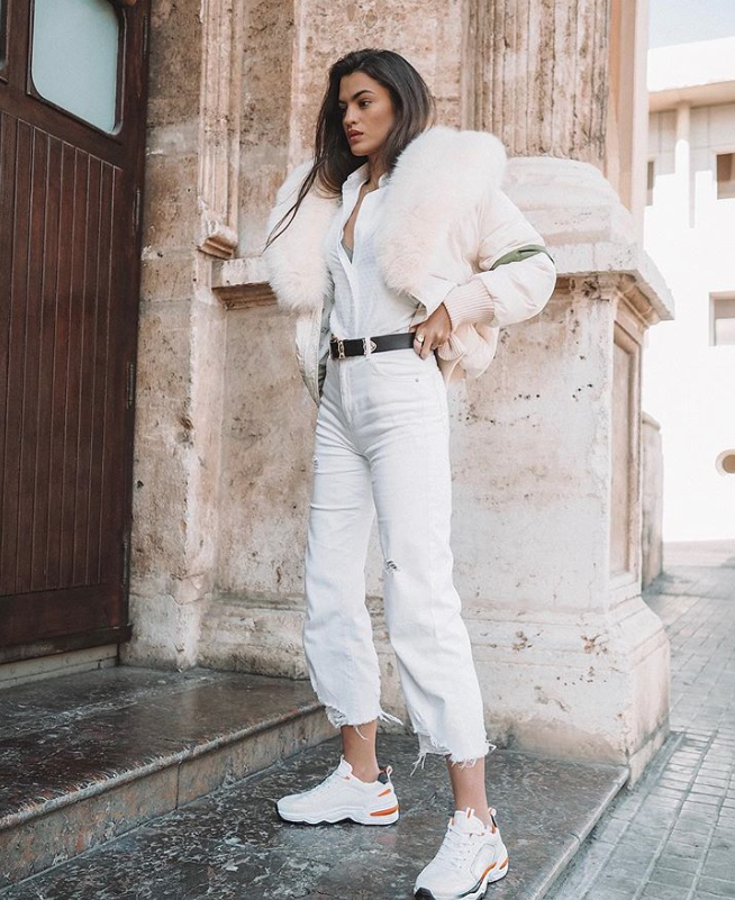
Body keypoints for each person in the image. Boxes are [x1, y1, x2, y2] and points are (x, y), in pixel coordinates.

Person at [262, 47, 556, 900]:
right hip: (338, 393)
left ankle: (477, 826)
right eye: (341, 105)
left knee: (418, 590)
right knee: (327, 584)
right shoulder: (338, 192)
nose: (349, 117)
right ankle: (363, 779)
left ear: (400, 100)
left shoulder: (452, 177)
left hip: (402, 383)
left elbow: (532, 267)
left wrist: (457, 304)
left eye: (364, 101)